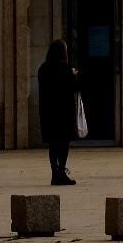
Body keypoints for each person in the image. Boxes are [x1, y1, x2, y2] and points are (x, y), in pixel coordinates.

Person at [37, 39, 79, 186]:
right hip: (64, 112)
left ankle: (55, 173)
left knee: (53, 144)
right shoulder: (65, 69)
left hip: (48, 112)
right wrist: (74, 75)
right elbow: (74, 88)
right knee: (63, 143)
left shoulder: (43, 69)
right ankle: (61, 170)